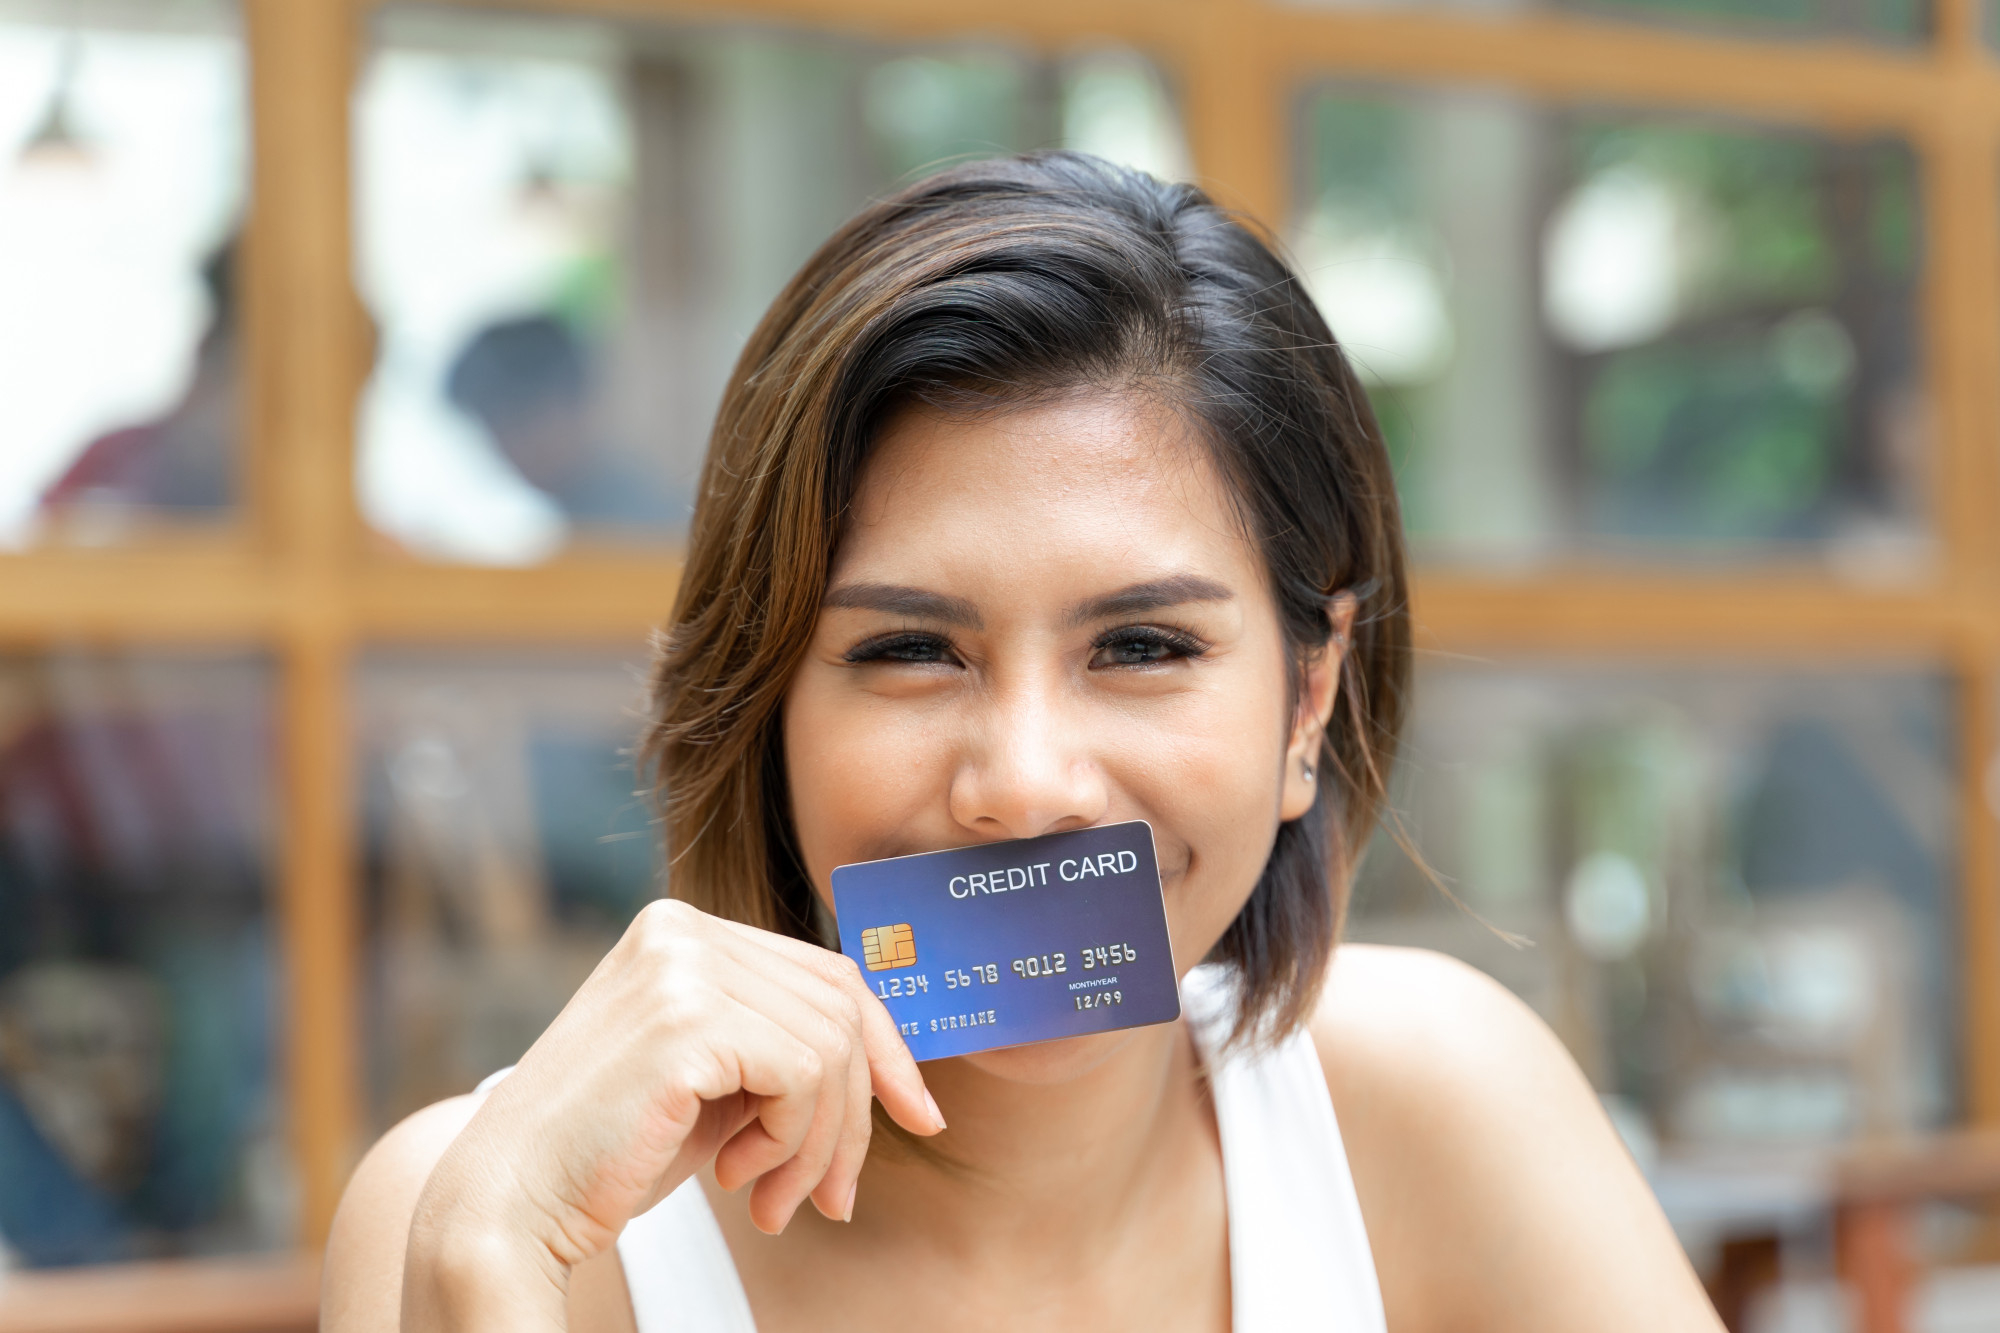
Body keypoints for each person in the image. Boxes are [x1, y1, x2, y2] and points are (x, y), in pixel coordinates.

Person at [323, 153, 1721, 1332]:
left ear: (1309, 704)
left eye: (1144, 647)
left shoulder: (1435, 1107)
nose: (1028, 784)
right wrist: (489, 1275)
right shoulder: (489, 1216)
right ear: (766, 706)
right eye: (910, 650)